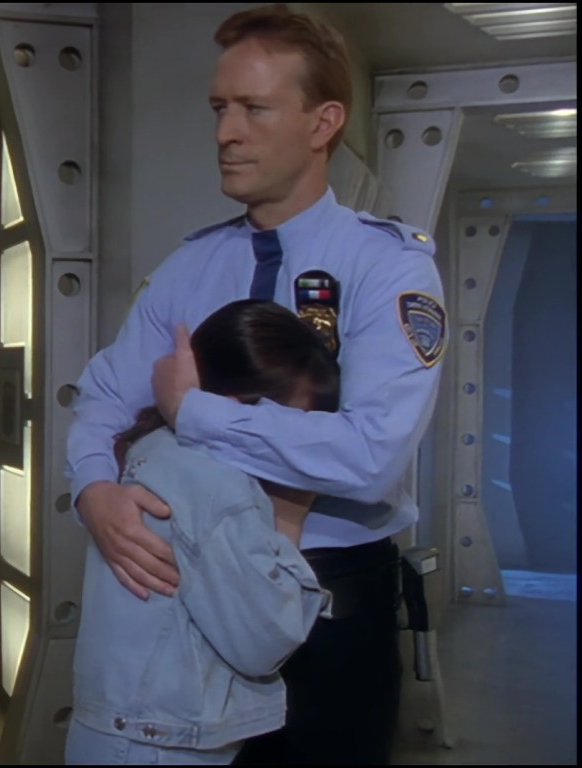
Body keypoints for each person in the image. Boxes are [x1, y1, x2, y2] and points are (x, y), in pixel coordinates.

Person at [66, 5, 447, 765]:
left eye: (254, 109)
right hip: (198, 594)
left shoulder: (387, 266)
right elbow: (102, 397)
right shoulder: (189, 267)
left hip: (332, 607)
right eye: (219, 108)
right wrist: (93, 491)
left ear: (323, 122)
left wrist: (193, 413)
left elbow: (371, 457)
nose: (225, 132)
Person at [66, 300, 337, 766]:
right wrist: (291, 515)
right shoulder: (216, 484)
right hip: (161, 746)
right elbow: (264, 640)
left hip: (120, 731)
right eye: (295, 426)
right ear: (234, 408)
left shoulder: (153, 448)